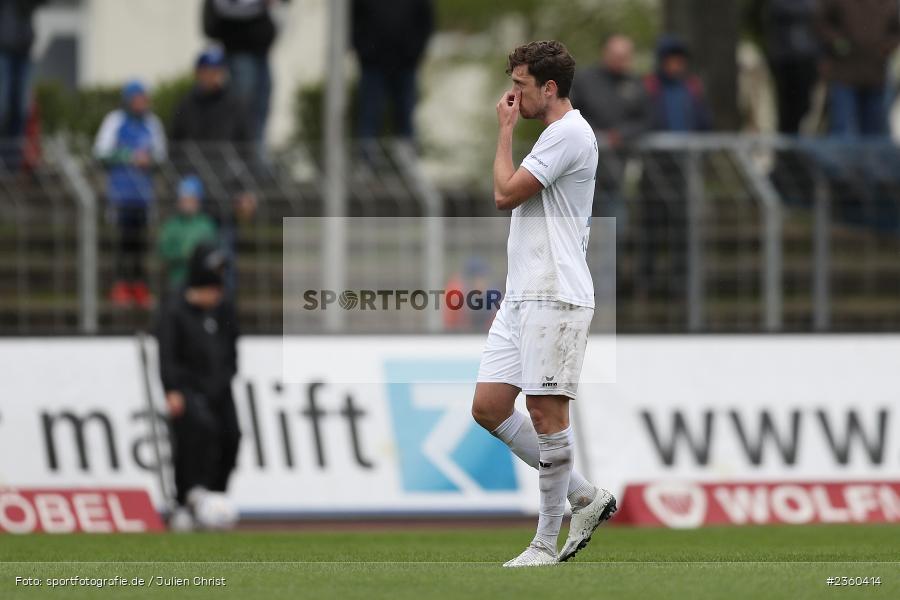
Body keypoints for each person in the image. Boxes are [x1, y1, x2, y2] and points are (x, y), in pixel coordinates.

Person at [472, 40, 615, 568]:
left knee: (546, 413)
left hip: (555, 294)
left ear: (549, 88)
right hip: (523, 295)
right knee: (488, 406)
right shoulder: (557, 135)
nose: (513, 95)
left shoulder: (568, 134)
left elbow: (505, 193)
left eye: (520, 85)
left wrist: (504, 133)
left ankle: (543, 545)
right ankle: (584, 495)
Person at [158, 242, 240, 530]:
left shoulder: (224, 308)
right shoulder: (174, 309)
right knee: (197, 434)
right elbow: (167, 355)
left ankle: (215, 497)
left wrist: (224, 380)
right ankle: (185, 499)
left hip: (219, 387)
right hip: (188, 388)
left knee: (231, 435)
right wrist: (172, 389)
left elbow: (231, 352)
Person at [94, 80, 167, 308]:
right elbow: (100, 153)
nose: (141, 103)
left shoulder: (152, 123)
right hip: (120, 193)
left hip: (143, 194)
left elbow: (161, 155)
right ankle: (121, 285)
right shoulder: (115, 120)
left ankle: (139, 286)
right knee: (123, 241)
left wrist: (149, 160)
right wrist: (128, 156)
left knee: (140, 242)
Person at [570, 34, 650, 230]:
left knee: (614, 223)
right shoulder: (585, 80)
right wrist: (594, 135)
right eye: (615, 55)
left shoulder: (636, 84)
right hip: (583, 165)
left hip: (617, 167)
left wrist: (621, 134)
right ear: (605, 53)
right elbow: (571, 112)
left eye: (624, 56)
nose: (619, 60)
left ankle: (610, 261)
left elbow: (646, 119)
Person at [202, 0, 289, 145]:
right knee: (243, 110)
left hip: (261, 50)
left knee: (260, 111)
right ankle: (242, 155)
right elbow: (226, 6)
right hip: (239, 49)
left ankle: (256, 156)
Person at [351, 0, 434, 142]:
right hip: (373, 66)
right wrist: (365, 52)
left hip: (405, 66)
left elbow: (427, 22)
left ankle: (406, 161)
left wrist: (414, 53)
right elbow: (353, 22)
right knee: (369, 118)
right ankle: (366, 161)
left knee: (405, 118)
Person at [815, 0, 900, 137]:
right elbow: (821, 21)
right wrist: (836, 42)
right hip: (843, 74)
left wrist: (883, 49)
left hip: (876, 76)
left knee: (874, 133)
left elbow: (896, 31)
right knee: (842, 130)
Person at [171, 48, 254, 144]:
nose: (210, 77)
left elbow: (246, 143)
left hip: (227, 158)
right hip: (193, 158)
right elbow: (175, 142)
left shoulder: (235, 104)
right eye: (206, 72)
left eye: (215, 72)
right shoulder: (187, 104)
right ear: (198, 73)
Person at [0, 0, 46, 168]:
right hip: (3, 49)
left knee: (21, 110)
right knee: (3, 108)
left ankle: (12, 163)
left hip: (24, 49)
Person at [763, 0, 820, 134]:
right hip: (786, 61)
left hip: (807, 60)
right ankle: (788, 148)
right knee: (788, 110)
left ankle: (796, 144)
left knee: (805, 106)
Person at [158, 175, 218, 290]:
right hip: (178, 278)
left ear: (198, 200)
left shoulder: (207, 224)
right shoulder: (171, 225)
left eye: (191, 199)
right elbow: (164, 250)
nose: (187, 203)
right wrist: (183, 253)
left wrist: (196, 256)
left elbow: (213, 251)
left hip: (202, 282)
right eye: (184, 199)